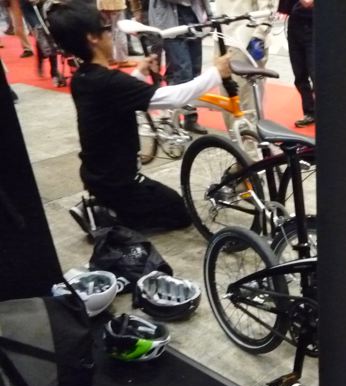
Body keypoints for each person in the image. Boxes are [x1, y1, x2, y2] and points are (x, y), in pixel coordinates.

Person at [46, 0, 232, 232]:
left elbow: (116, 98)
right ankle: (105, 214)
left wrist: (139, 73)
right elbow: (173, 97)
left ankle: (106, 205)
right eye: (105, 29)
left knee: (167, 204)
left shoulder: (83, 78)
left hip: (99, 175)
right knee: (178, 212)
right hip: (118, 182)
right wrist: (216, 73)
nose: (110, 35)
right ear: (92, 37)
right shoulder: (108, 82)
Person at [150, 0, 211, 134]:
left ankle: (190, 119)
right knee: (182, 71)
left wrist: (209, 13)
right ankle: (174, 118)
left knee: (195, 72)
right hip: (170, 21)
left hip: (193, 18)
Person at [213, 0, 276, 121]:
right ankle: (233, 133)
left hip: (246, 40)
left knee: (247, 99)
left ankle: (251, 133)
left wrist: (259, 35)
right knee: (227, 97)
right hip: (221, 35)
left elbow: (269, 7)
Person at [279, 0, 314, 127]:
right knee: (299, 75)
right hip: (295, 23)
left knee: (316, 74)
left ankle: (328, 112)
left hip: (316, 23)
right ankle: (310, 111)